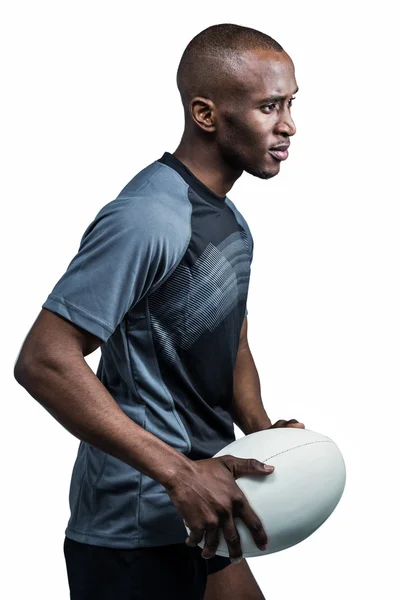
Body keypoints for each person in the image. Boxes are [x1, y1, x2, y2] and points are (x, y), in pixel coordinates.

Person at [14, 23, 305, 600]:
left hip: (209, 504)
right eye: (269, 106)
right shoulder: (149, 216)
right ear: (206, 115)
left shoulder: (229, 221)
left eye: (291, 103)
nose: (289, 125)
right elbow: (44, 361)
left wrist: (261, 432)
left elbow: (232, 339)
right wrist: (177, 471)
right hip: (135, 525)